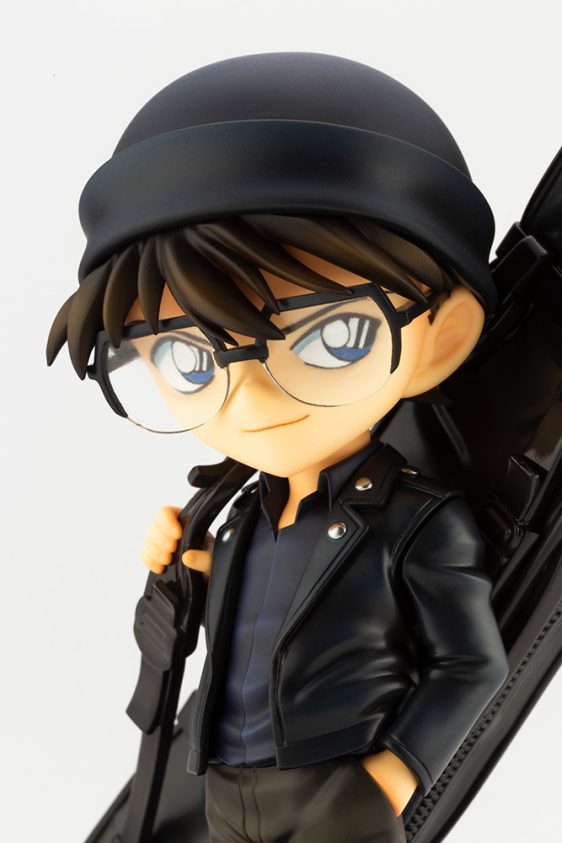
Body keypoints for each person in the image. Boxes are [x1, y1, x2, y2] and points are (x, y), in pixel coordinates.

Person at [47, 53, 509, 843]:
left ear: (441, 340)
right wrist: (181, 576)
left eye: (332, 337)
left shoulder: (416, 521)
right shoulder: (240, 518)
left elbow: (471, 664)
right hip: (225, 787)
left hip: (337, 788)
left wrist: (386, 778)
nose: (254, 398)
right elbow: (234, 635)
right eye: (188, 358)